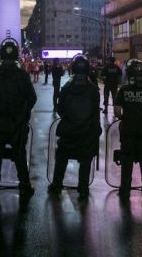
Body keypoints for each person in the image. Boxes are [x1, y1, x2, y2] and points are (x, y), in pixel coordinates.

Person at [0, 39, 37, 198]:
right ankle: (25, 186)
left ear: (0, 53)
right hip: (18, 125)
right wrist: (23, 114)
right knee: (19, 156)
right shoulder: (22, 74)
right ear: (17, 54)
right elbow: (32, 98)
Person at [48, 55, 101, 200]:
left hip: (69, 131)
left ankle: (57, 185)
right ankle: (83, 188)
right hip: (87, 132)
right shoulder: (93, 89)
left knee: (62, 157)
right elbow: (96, 110)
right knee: (85, 160)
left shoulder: (67, 88)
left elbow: (60, 109)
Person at [114, 59, 142, 201]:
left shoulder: (124, 90)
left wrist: (126, 115)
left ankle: (125, 189)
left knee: (126, 162)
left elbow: (117, 111)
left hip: (128, 132)